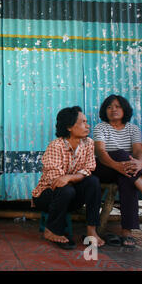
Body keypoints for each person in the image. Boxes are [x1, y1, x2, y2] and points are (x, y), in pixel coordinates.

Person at [93, 94, 142, 248]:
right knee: (122, 154)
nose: (113, 109)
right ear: (104, 111)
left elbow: (138, 151)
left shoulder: (133, 129)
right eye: (109, 106)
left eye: (117, 106)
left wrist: (139, 163)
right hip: (104, 167)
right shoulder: (101, 127)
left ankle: (127, 232)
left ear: (124, 109)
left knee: (127, 179)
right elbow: (100, 152)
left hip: (125, 171)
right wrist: (117, 164)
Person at [32, 106, 104, 250]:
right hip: (47, 196)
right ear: (70, 127)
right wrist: (75, 177)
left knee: (93, 182)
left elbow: (89, 168)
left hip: (71, 196)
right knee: (66, 189)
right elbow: (57, 181)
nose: (87, 125)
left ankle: (91, 230)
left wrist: (71, 177)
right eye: (83, 122)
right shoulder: (56, 146)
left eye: (86, 121)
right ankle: (52, 230)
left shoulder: (88, 143)